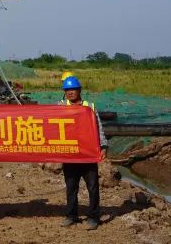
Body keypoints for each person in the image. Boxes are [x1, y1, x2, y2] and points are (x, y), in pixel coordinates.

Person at [60, 75, 108, 230]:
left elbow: (98, 127)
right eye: (67, 90)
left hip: (88, 154)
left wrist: (103, 146)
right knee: (71, 187)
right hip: (70, 154)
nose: (70, 92)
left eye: (72, 89)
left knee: (92, 187)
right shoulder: (60, 107)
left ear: (79, 90)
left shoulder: (90, 106)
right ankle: (71, 216)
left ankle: (93, 217)